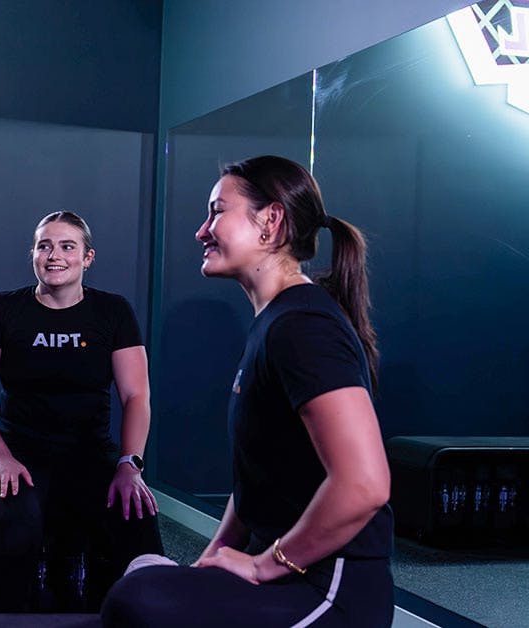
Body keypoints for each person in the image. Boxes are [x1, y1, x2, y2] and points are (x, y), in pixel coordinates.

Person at [102, 156, 393, 626]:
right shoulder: (274, 321)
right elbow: (257, 478)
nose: (202, 230)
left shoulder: (303, 326)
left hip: (327, 590)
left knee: (135, 603)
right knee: (143, 574)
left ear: (271, 222)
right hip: (283, 573)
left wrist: (264, 565)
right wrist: (213, 557)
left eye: (217, 211)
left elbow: (365, 484)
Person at [0, 211, 164, 612]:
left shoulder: (113, 312)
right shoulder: (3, 309)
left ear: (87, 258)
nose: (55, 255)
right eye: (44, 245)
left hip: (90, 453)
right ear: (32, 254)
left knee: (136, 519)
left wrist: (128, 465)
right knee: (15, 531)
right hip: (17, 454)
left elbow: (136, 396)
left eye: (67, 246)